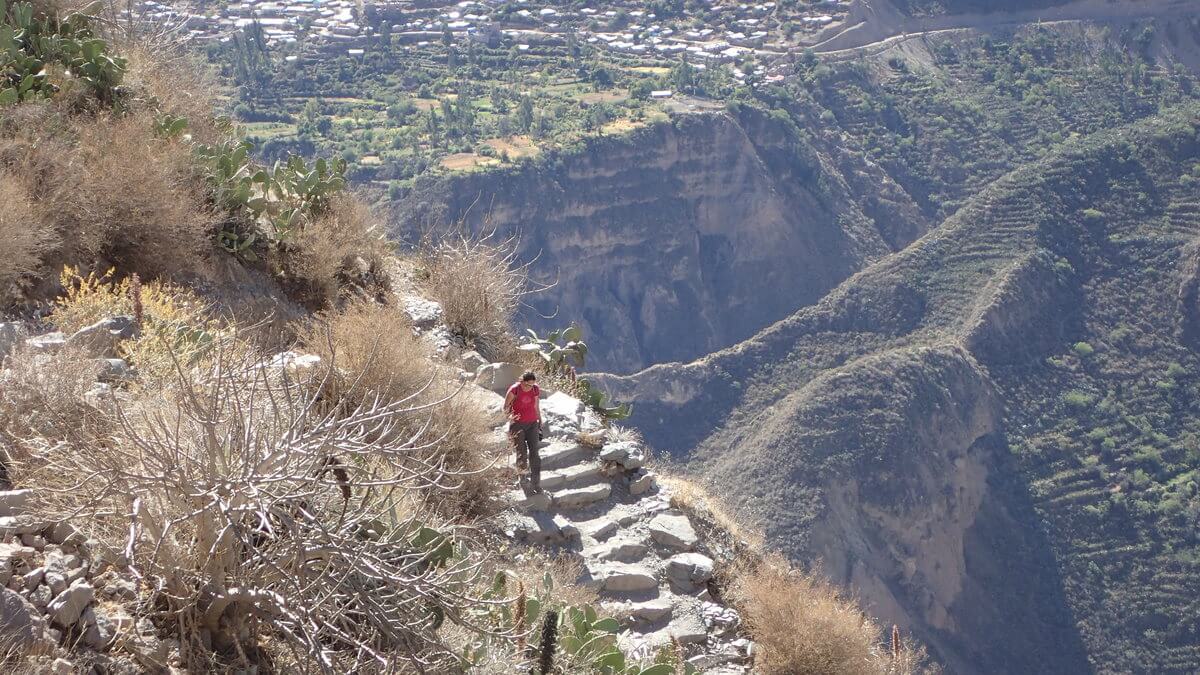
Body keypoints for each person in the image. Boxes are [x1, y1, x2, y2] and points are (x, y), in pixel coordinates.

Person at [504, 370, 544, 491]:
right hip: (518, 425)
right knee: (522, 452)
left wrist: (540, 420)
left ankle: (536, 482)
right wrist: (511, 418)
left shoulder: (535, 389)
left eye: (532, 384)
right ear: (522, 381)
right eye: (527, 384)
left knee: (535, 454)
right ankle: (522, 477)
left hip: (532, 424)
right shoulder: (514, 389)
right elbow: (505, 407)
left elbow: (536, 405)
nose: (530, 387)